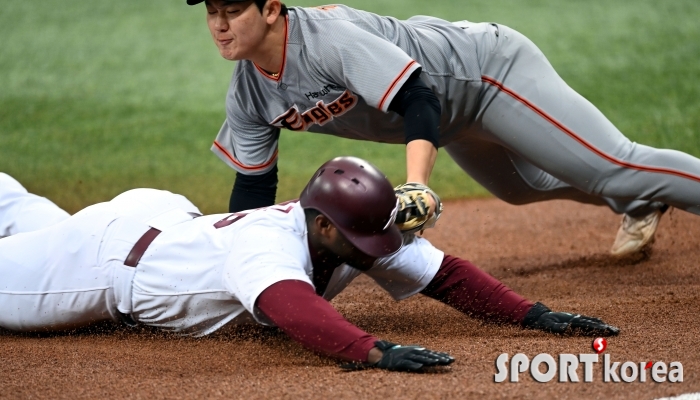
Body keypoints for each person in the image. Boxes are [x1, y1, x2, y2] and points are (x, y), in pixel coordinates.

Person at [0, 157, 618, 372]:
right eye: (363, 240)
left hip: (158, 220)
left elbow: (444, 274)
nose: (377, 251)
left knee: (25, 216)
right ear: (323, 225)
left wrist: (536, 314)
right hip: (101, 265)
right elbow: (292, 309)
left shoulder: (352, 227)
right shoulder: (268, 247)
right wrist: (375, 351)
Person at [187, 0, 700, 257]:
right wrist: (239, 258)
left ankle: (634, 189)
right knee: (522, 191)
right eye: (212, 12)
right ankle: (640, 201)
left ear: (271, 9)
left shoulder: (328, 40)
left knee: (613, 166)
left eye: (233, 10)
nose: (220, 25)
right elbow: (253, 186)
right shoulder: (249, 92)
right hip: (450, 121)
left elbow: (418, 97)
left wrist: (416, 185)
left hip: (487, 74)